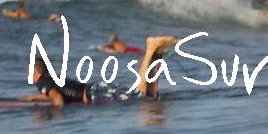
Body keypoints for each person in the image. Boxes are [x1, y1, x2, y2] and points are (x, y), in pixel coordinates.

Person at [22, 36, 178, 107]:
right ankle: (157, 51)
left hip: (95, 93)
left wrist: (58, 116)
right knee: (150, 96)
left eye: (29, 71)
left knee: (141, 96)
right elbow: (55, 92)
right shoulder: (50, 79)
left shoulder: (42, 82)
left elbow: (56, 97)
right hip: (96, 88)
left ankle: (151, 48)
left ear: (36, 72)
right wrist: (33, 97)